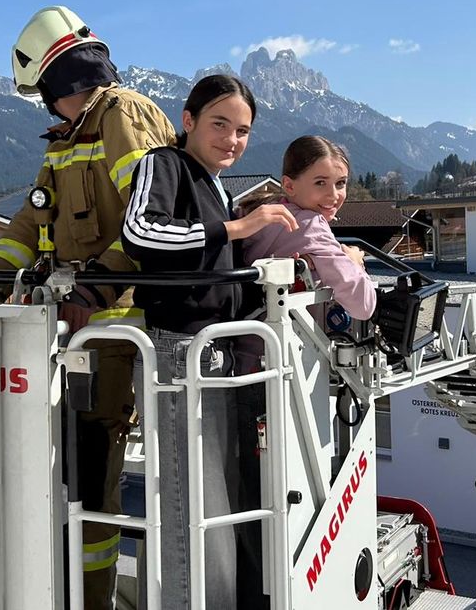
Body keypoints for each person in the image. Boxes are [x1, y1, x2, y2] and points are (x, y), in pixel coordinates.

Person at [0, 6, 177, 609]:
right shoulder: (68, 138)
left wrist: (95, 290)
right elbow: (28, 223)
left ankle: (91, 598)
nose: (44, 105)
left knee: (92, 475)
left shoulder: (122, 115)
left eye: (43, 93)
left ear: (57, 82)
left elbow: (151, 220)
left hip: (115, 332)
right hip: (68, 337)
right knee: (57, 473)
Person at [121, 74, 298, 608]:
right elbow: (140, 231)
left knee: (218, 503)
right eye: (220, 124)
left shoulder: (214, 184)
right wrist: (238, 228)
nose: (232, 139)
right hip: (180, 351)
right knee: (192, 504)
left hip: (214, 351)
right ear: (188, 120)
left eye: (242, 131)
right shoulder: (164, 164)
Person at [242, 135, 377, 321]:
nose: (334, 195)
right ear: (289, 185)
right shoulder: (311, 226)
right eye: (320, 182)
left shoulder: (257, 212)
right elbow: (363, 305)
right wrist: (354, 262)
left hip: (242, 330)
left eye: (340, 183)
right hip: (283, 337)